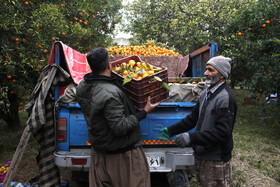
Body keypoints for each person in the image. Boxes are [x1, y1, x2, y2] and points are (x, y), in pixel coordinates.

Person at [76, 47, 159, 187]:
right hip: (122, 156)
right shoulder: (110, 93)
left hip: (99, 152)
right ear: (109, 64)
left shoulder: (83, 86)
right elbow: (120, 127)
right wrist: (144, 111)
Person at [159, 56, 238, 186]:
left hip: (216, 159)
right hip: (202, 156)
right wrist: (171, 130)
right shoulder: (206, 94)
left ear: (222, 75)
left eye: (211, 70)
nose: (206, 73)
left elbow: (222, 133)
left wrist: (191, 137)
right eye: (206, 69)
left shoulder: (225, 98)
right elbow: (192, 119)